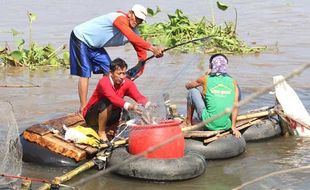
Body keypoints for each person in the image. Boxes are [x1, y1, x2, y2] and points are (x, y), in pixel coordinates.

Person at [70, 4, 163, 113]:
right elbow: (131, 36)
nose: (137, 22)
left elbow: (142, 54)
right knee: (85, 72)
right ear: (130, 13)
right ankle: (83, 108)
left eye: (140, 21)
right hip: (81, 38)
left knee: (110, 72)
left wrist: (137, 71)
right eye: (136, 18)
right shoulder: (119, 18)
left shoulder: (135, 31)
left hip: (95, 46)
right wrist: (152, 48)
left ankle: (103, 104)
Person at [82, 58, 151, 141]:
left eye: (124, 73)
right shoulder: (104, 82)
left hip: (111, 114)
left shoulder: (128, 83)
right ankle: (101, 132)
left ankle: (144, 128)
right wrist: (131, 106)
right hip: (92, 116)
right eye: (119, 74)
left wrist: (148, 104)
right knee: (108, 102)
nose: (122, 77)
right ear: (111, 73)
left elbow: (139, 97)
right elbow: (113, 98)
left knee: (135, 110)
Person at [183, 53, 241, 138]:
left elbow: (188, 86)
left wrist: (206, 74)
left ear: (211, 66)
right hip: (226, 125)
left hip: (209, 123)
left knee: (192, 91)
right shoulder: (233, 81)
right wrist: (233, 126)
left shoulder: (205, 78)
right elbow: (236, 105)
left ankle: (188, 122)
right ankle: (226, 122)